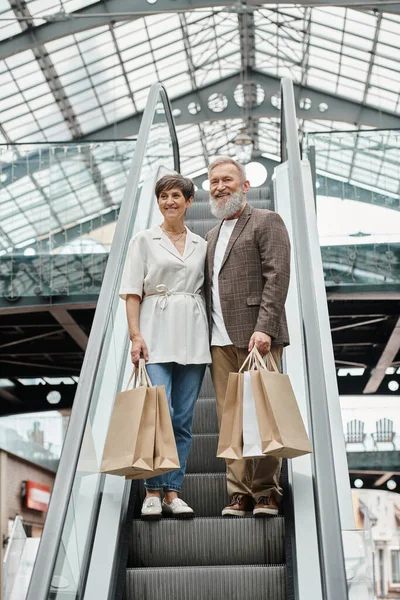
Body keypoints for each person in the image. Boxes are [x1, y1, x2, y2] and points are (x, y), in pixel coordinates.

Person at [120, 174, 211, 520]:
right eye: (163, 196)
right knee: (160, 415)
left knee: (184, 418)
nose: (169, 201)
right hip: (155, 333)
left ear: (189, 202)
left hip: (193, 334)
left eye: (176, 196)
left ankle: (174, 491)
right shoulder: (143, 240)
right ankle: (153, 491)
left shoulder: (202, 244)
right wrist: (135, 336)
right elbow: (131, 292)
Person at [204, 156, 291, 517]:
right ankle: (239, 494)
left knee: (265, 411)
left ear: (245, 186)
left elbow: (277, 275)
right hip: (219, 341)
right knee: (230, 420)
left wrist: (266, 327)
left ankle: (267, 491)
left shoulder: (266, 221)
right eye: (213, 182)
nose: (220, 186)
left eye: (227, 179)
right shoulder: (209, 235)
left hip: (258, 336)